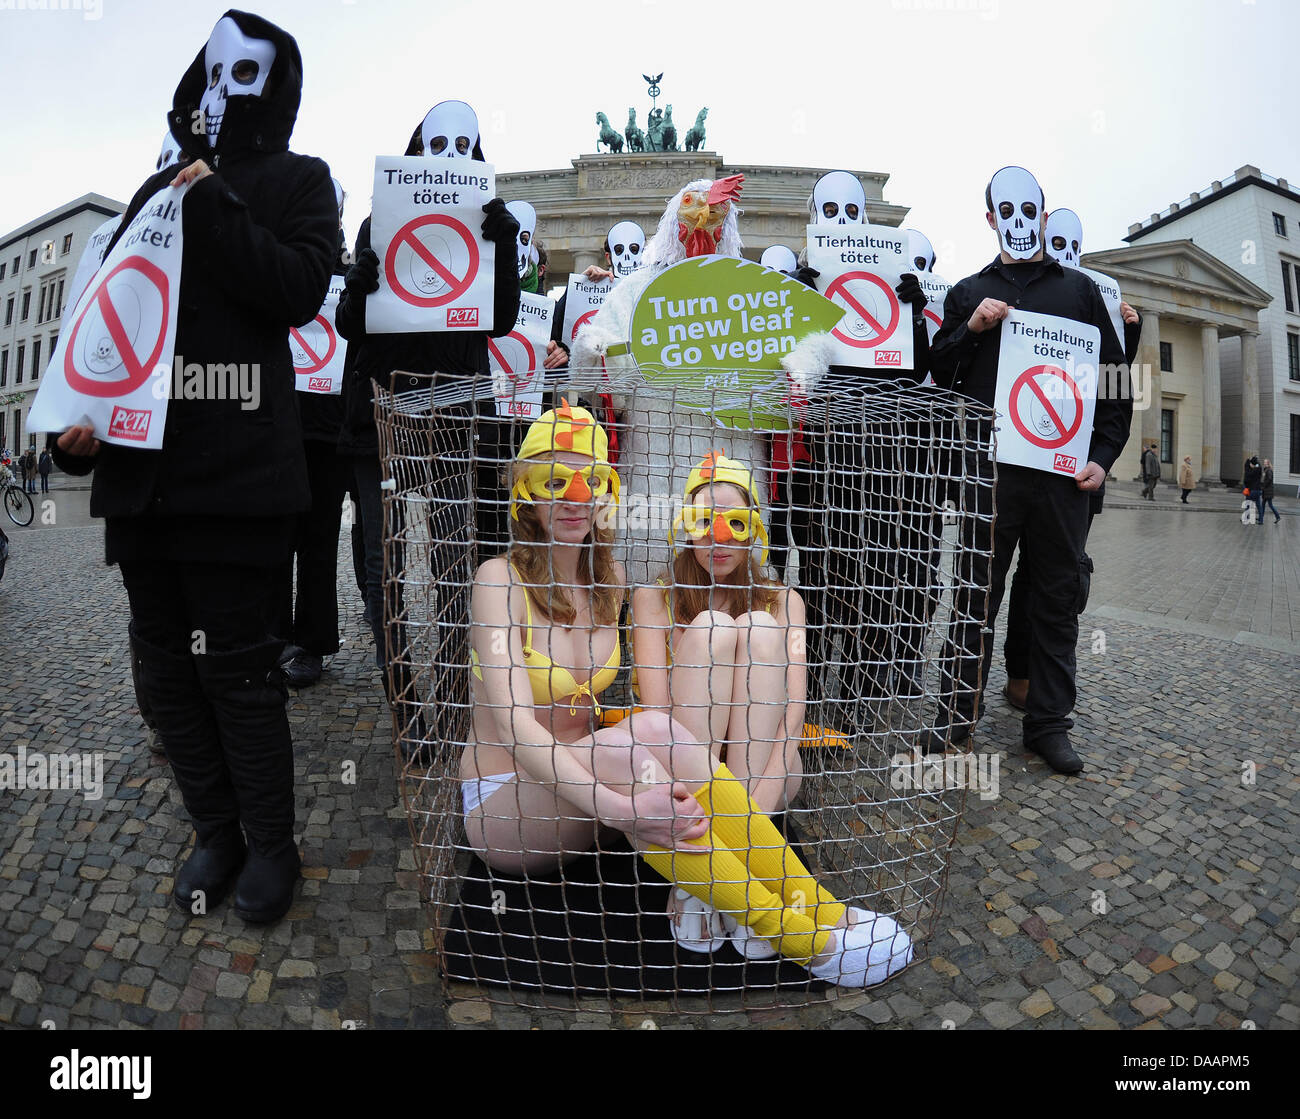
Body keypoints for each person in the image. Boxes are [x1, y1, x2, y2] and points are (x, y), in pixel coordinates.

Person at [463, 402, 912, 984]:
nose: (576, 498)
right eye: (556, 482)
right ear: (524, 491)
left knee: (650, 741)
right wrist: (624, 811)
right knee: (648, 735)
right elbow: (520, 730)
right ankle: (811, 937)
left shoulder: (610, 583)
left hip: (600, 782)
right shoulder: (498, 581)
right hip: (515, 804)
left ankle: (809, 911)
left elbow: (785, 711)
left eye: (591, 481)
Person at [52, 11, 338, 922]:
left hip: (239, 479)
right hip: (145, 478)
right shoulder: (149, 191)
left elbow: (297, 289)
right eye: (211, 74)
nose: (222, 93)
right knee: (166, 671)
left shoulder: (301, 181)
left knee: (238, 671)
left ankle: (270, 845)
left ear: (275, 87)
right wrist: (74, 418)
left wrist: (216, 199)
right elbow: (113, 314)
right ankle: (214, 830)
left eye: (245, 74)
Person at [923, 165, 1131, 775]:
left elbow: (1116, 380)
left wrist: (1103, 455)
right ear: (990, 219)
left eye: (1029, 209)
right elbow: (938, 374)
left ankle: (1047, 724)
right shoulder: (967, 292)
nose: (1018, 220)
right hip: (993, 474)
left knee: (1056, 598)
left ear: (1043, 214)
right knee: (974, 597)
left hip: (1064, 478)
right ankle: (957, 713)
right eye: (1004, 211)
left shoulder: (1082, 292)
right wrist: (971, 328)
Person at [335, 99, 520, 723]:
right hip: (382, 413)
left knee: (451, 559)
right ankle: (406, 701)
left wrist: (506, 249)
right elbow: (350, 325)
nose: (450, 159)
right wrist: (358, 286)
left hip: (456, 411)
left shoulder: (489, 222)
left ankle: (452, 695)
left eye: (464, 148)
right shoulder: (375, 225)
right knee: (381, 563)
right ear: (416, 153)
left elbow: (500, 319)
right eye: (437, 147)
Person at [277, 177, 352, 688]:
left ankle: (312, 643)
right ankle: (272, 635)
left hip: (332, 431)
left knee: (320, 543)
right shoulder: (282, 263)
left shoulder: (353, 272)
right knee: (275, 540)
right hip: (280, 425)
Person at [1243, 455, 1263, 524]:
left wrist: (1249, 459)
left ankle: (1248, 518)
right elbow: (1258, 465)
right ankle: (1261, 520)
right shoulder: (1259, 469)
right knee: (1258, 505)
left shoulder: (1253, 471)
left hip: (1253, 490)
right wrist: (1256, 462)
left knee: (1249, 504)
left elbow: (1247, 469)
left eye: (1251, 464)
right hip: (1259, 490)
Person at [1260, 458, 1280, 524]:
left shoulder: (1269, 470)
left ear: (1268, 463)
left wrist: (1264, 486)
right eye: (1264, 462)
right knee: (1263, 504)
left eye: (1265, 462)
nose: (1264, 463)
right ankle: (1261, 518)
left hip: (1268, 491)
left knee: (1270, 505)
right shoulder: (1266, 470)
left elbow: (1269, 479)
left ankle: (1277, 516)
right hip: (1266, 491)